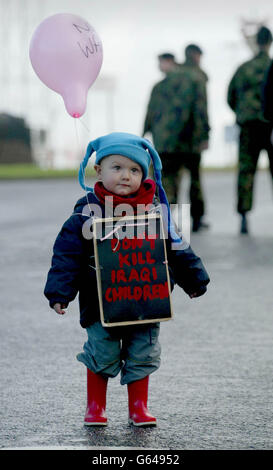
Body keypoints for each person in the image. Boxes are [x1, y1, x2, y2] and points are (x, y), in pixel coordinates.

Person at [44, 132, 210, 427]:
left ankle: (138, 408)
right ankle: (95, 407)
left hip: (147, 300)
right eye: (117, 168)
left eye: (135, 170)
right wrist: (60, 293)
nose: (126, 176)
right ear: (98, 170)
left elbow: (176, 246)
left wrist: (194, 279)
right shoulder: (86, 213)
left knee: (143, 352)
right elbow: (66, 255)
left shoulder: (156, 209)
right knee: (101, 352)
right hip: (100, 303)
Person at [143, 47, 210, 232]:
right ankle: (197, 219)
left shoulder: (159, 86)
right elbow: (201, 109)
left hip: (165, 142)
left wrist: (144, 134)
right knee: (195, 179)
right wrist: (204, 134)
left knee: (167, 181)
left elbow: (150, 113)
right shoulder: (194, 79)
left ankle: (167, 219)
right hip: (190, 141)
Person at [227, 26, 273, 234]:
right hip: (270, 125)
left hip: (248, 126)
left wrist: (242, 112)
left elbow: (230, 96)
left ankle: (244, 216)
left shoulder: (243, 68)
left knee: (246, 171)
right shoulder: (270, 66)